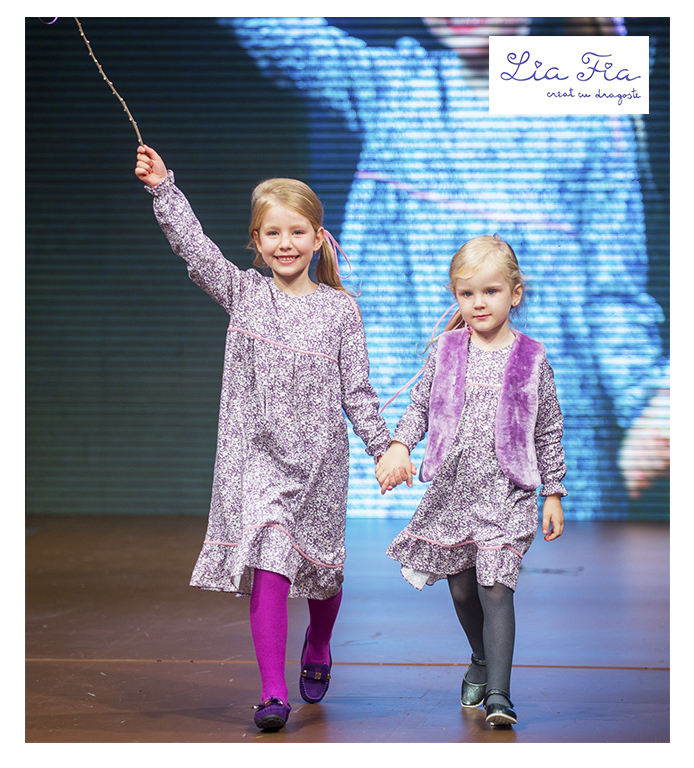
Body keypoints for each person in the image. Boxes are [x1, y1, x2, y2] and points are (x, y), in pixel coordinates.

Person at [222, 16, 668, 521]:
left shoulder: (587, 113)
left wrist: (650, 403)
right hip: (397, 443)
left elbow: (613, 292)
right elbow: (271, 28)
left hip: (534, 443)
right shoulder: (396, 88)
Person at [135, 144, 393, 730]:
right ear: (256, 240)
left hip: (321, 464)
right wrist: (163, 188)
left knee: (323, 572)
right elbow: (194, 249)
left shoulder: (340, 311)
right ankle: (273, 693)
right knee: (271, 557)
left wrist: (384, 449)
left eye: (297, 231)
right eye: (272, 233)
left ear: (318, 238)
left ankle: (319, 643)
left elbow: (358, 391)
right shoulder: (245, 294)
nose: (285, 243)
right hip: (258, 460)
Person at [375, 235, 567, 727]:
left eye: (490, 291)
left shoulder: (531, 358)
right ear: (456, 296)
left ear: (515, 294)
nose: (479, 303)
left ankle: (499, 695)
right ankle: (480, 657)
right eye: (467, 293)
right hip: (455, 492)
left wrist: (553, 491)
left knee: (495, 587)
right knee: (463, 590)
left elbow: (547, 429)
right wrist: (400, 445)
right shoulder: (447, 352)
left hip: (508, 492)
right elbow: (421, 407)